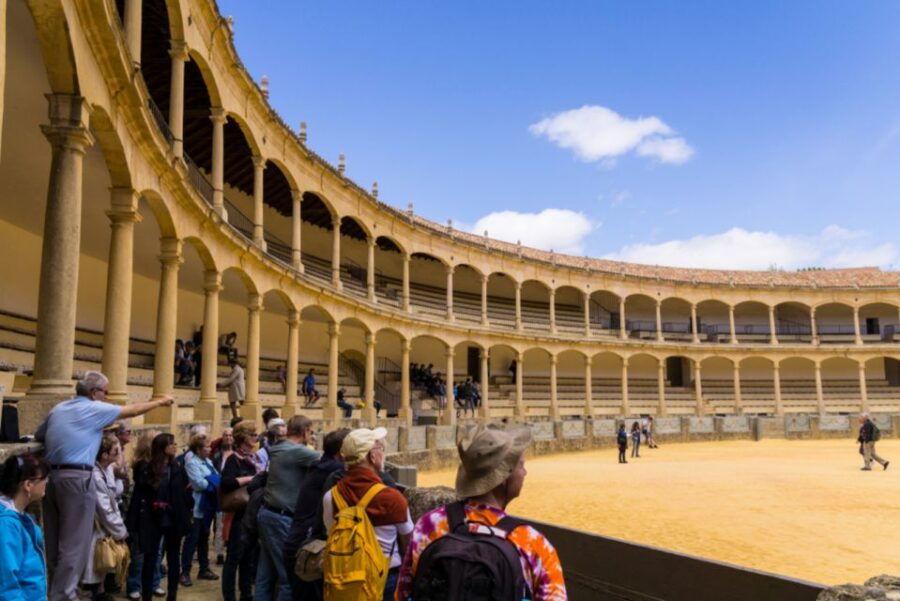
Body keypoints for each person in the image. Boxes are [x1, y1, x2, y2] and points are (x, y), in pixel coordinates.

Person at [34, 371, 174, 601]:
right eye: (105, 393)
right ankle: (64, 596)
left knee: (54, 541)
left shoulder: (58, 409)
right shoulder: (93, 408)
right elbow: (134, 410)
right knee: (74, 545)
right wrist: (161, 400)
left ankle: (55, 592)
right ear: (93, 392)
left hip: (51, 477)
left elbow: (41, 434)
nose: (107, 397)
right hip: (77, 476)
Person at [395, 423, 566, 601]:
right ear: (504, 478)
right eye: (521, 465)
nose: (525, 472)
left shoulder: (430, 524)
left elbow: (403, 593)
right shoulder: (531, 543)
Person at [323, 428, 414, 601]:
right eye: (380, 448)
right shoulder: (392, 498)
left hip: (345, 579)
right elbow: (409, 544)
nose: (382, 453)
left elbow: (331, 533)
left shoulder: (331, 497)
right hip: (385, 579)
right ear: (372, 457)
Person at [257, 416, 320, 601]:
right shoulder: (297, 451)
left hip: (268, 513)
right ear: (304, 432)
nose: (311, 435)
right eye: (310, 431)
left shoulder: (279, 447)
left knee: (265, 574)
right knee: (288, 577)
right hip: (281, 518)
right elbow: (329, 460)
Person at [284, 428, 350, 601]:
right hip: (308, 551)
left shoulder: (320, 465)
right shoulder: (334, 471)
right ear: (342, 453)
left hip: (299, 543)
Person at [127, 433, 193, 601]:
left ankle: (172, 596)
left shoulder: (177, 467)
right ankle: (147, 596)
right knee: (150, 559)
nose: (175, 446)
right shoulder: (147, 468)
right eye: (171, 443)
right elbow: (140, 495)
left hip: (173, 520)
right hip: (152, 520)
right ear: (163, 447)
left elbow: (185, 493)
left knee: (173, 559)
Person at [83, 436, 129, 600]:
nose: (119, 454)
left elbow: (113, 497)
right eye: (115, 451)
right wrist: (120, 530)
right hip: (95, 526)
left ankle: (100, 592)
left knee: (100, 565)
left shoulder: (107, 470)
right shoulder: (95, 475)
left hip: (104, 526)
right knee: (96, 563)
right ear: (104, 455)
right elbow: (104, 507)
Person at [221, 420, 262, 601]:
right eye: (253, 435)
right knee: (234, 559)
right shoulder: (233, 459)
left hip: (251, 514)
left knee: (248, 558)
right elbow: (226, 483)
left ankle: (246, 594)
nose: (256, 438)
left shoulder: (253, 458)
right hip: (238, 515)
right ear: (244, 438)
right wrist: (250, 479)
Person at [0, 453, 49, 601]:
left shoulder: (22, 518)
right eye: (44, 479)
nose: (47, 482)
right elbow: (6, 586)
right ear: (28, 485)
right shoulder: (6, 526)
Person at [125, 430, 163, 600]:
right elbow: (148, 485)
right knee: (139, 553)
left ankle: (154, 582)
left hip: (156, 514)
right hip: (142, 514)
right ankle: (134, 585)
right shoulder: (142, 465)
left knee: (157, 551)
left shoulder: (161, 463)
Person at [180, 435, 220, 587]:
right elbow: (199, 484)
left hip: (208, 507)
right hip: (196, 507)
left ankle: (204, 568)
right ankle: (185, 572)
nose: (209, 449)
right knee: (192, 540)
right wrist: (213, 482)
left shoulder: (208, 462)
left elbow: (217, 478)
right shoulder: (192, 463)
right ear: (198, 449)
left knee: (204, 538)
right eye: (206, 447)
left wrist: (213, 481)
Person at [212, 428, 235, 568]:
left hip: (233, 491)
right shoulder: (217, 455)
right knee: (219, 523)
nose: (228, 438)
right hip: (220, 491)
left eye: (230, 435)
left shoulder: (238, 454)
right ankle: (219, 553)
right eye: (225, 435)